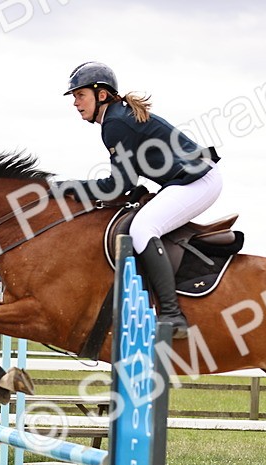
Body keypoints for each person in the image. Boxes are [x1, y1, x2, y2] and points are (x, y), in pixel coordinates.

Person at [60, 61, 222, 339]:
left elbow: (118, 185)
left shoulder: (115, 123)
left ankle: (173, 315)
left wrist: (73, 187)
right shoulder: (116, 118)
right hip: (188, 178)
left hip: (198, 181)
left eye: (80, 95)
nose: (75, 103)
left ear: (101, 95)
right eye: (74, 97)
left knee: (142, 229)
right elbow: (128, 182)